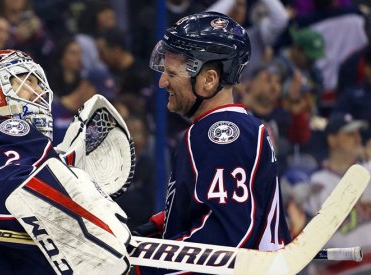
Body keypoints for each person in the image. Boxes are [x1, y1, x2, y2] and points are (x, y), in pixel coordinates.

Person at [0, 49, 130, 274]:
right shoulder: (12, 131)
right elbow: (2, 197)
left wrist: (59, 168)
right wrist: (84, 215)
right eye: (28, 82)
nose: (40, 91)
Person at [137, 11, 291, 274]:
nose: (163, 82)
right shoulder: (226, 130)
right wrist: (163, 224)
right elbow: (219, 213)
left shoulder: (221, 135)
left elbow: (224, 245)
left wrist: (144, 267)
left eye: (172, 74)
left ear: (209, 79)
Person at [304, 112, 371, 274]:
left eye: (358, 133)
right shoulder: (316, 185)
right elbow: (308, 251)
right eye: (349, 134)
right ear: (332, 140)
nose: (357, 138)